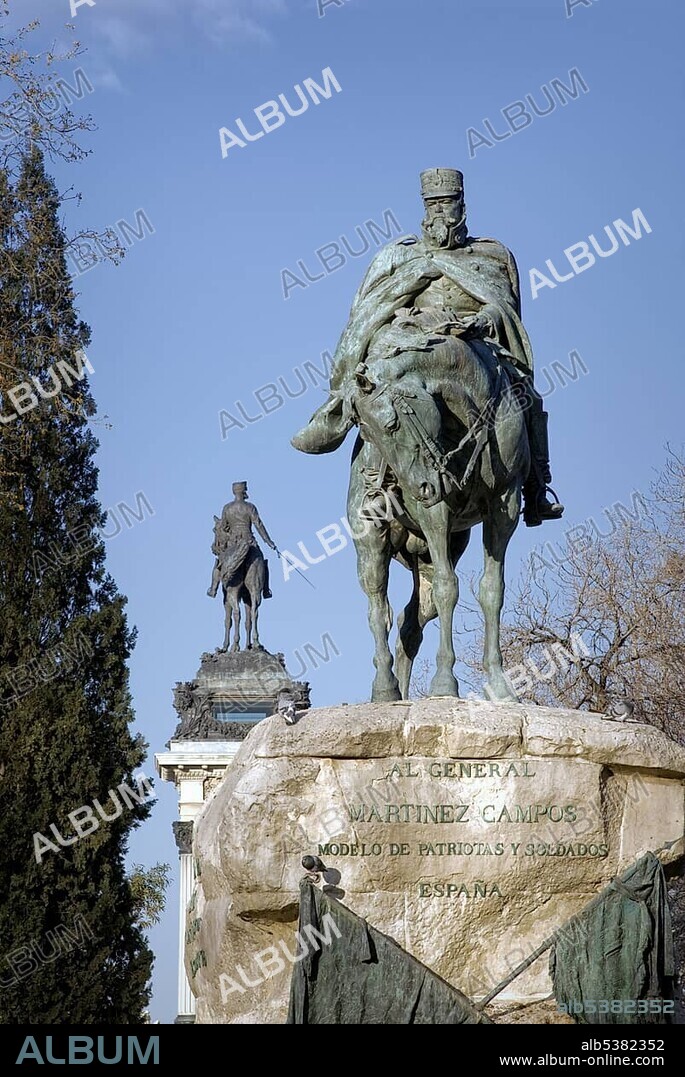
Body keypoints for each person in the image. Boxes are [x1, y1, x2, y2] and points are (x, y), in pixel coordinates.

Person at [293, 168, 563, 527]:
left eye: (446, 203)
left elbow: (506, 308)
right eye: (432, 204)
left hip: (476, 345)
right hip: (413, 345)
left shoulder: (491, 255)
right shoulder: (398, 258)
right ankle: (379, 484)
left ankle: (535, 487)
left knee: (524, 391)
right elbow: (368, 315)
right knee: (381, 395)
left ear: (462, 206)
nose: (439, 212)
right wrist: (406, 325)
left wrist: (483, 319)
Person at [207, 481, 277, 599]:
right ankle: (265, 590)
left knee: (219, 564)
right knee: (263, 564)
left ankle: (213, 588)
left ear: (234, 492)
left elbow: (224, 526)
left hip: (233, 542)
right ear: (244, 492)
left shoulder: (227, 508)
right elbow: (258, 524)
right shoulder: (250, 507)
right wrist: (268, 541)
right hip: (249, 541)